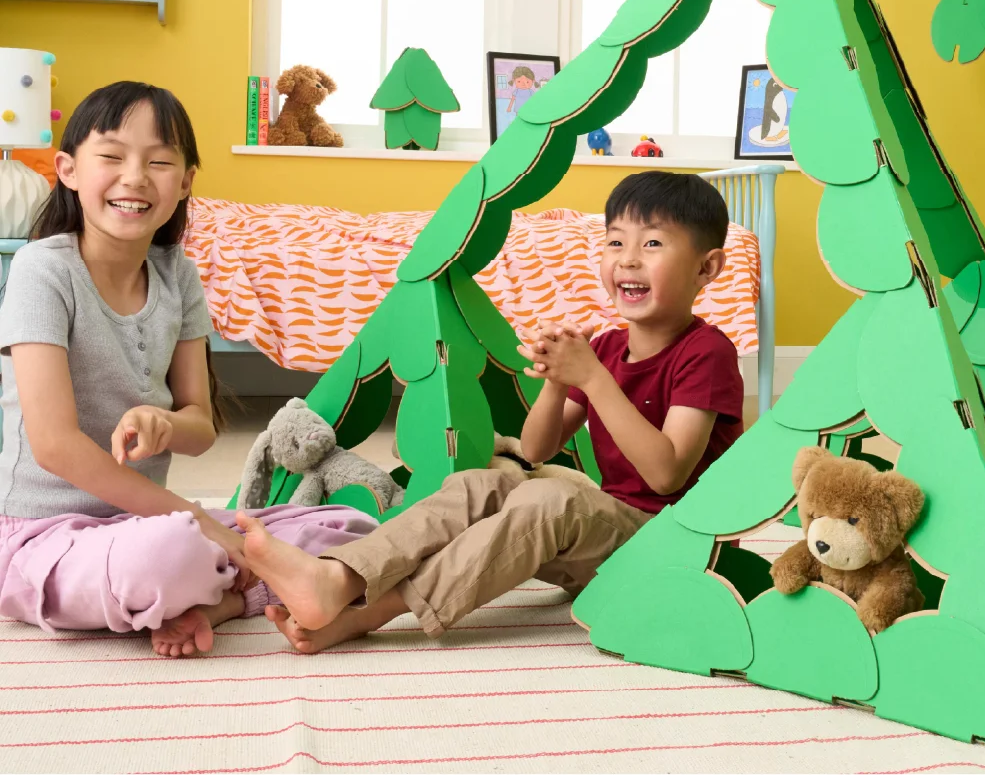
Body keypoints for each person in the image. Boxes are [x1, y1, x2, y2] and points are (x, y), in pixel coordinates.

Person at [239, 170, 745, 653]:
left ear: (707, 267)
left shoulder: (707, 353)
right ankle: (340, 578)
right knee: (479, 484)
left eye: (652, 244)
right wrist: (555, 380)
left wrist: (591, 377)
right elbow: (537, 449)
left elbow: (664, 473)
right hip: (602, 548)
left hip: (668, 551)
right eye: (615, 241)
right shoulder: (608, 347)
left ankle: (369, 613)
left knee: (550, 500)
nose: (628, 260)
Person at [0, 81, 377, 657]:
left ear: (185, 182)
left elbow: (200, 426)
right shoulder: (41, 270)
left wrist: (165, 424)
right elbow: (54, 446)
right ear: (68, 170)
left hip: (150, 520)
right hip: (42, 535)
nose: (134, 177)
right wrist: (210, 531)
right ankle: (231, 589)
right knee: (167, 558)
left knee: (350, 526)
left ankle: (214, 600)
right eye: (111, 156)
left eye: (158, 161)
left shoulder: (179, 276)